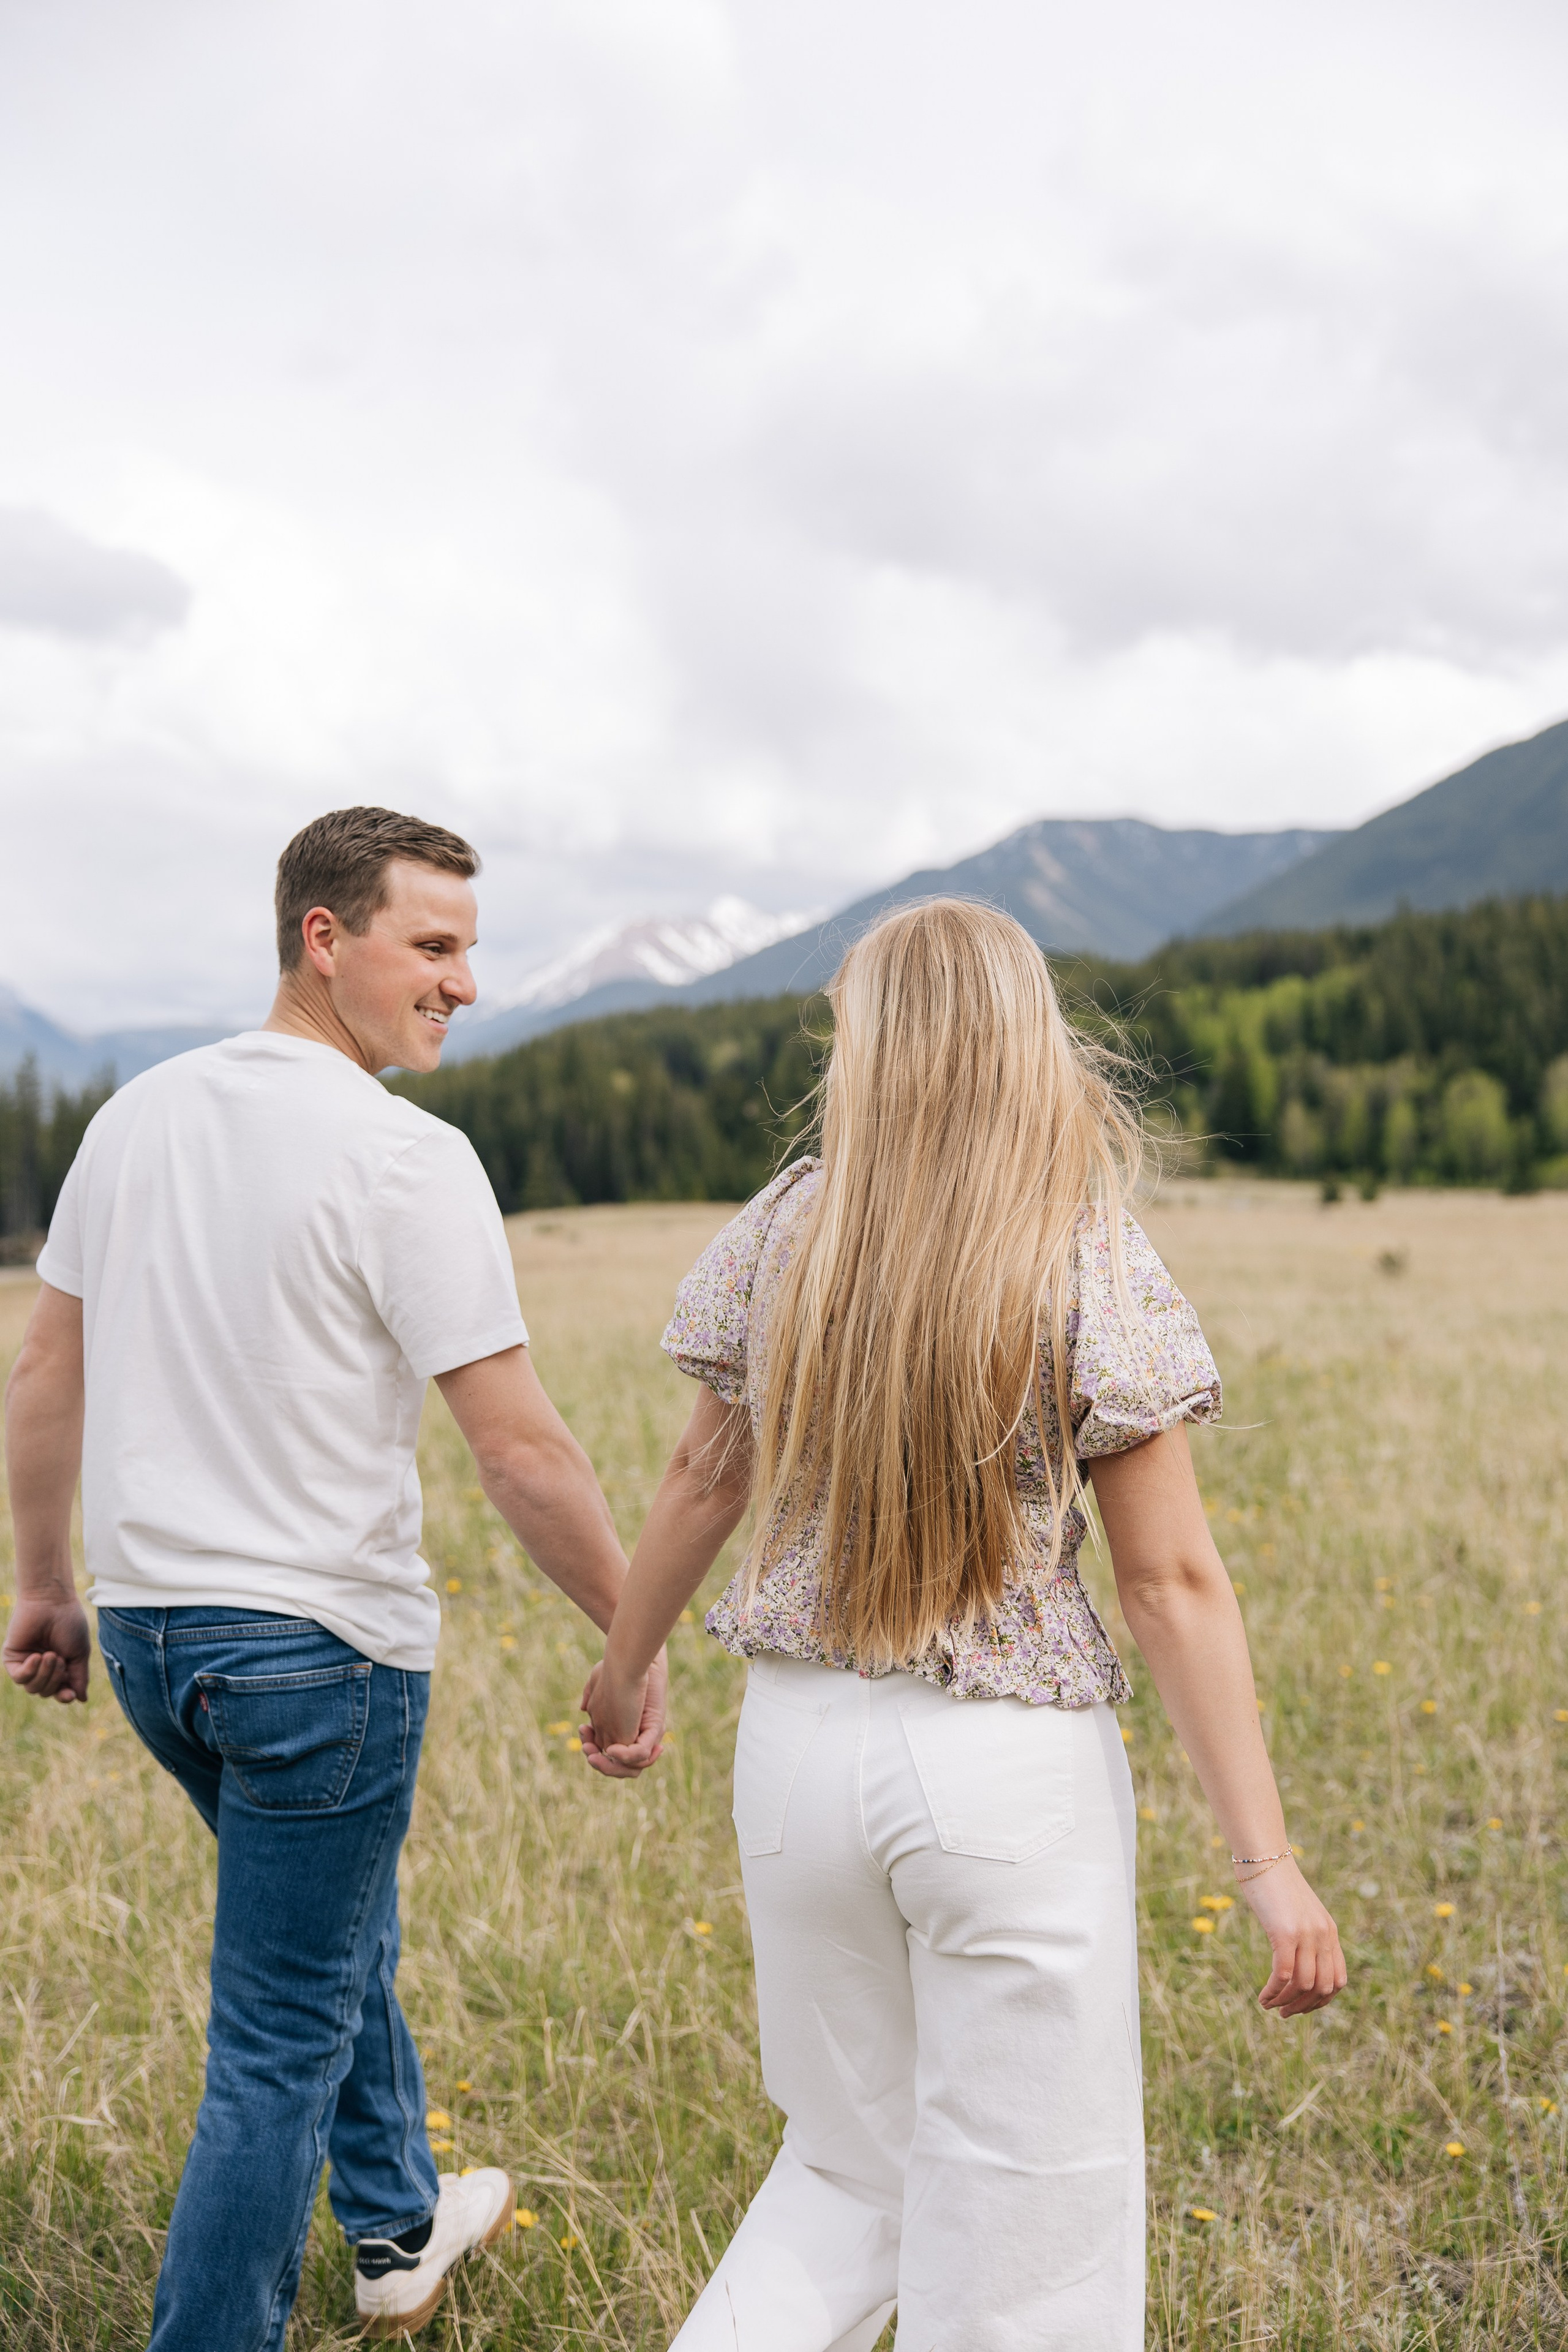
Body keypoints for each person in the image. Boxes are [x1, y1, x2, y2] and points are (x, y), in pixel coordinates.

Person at [582, 897, 1346, 2352]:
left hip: (795, 1759)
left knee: (839, 2173)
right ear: (1028, 1040)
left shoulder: (789, 1225)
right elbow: (1167, 1582)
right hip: (1002, 1781)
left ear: (863, 1047)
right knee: (1030, 2244)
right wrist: (1264, 1862)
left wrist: (625, 1670)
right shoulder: (1080, 1249)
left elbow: (699, 1476)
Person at [2, 806, 664, 2350]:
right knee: (275, 2043)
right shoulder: (402, 1157)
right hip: (321, 1660)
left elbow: (46, 1366)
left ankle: (395, 2229)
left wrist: (47, 1586)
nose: (464, 984)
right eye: (432, 947)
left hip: (165, 1647)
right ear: (326, 936)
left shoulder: (137, 1116)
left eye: (469, 951)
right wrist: (635, 1639)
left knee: (324, 1939)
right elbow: (521, 1451)